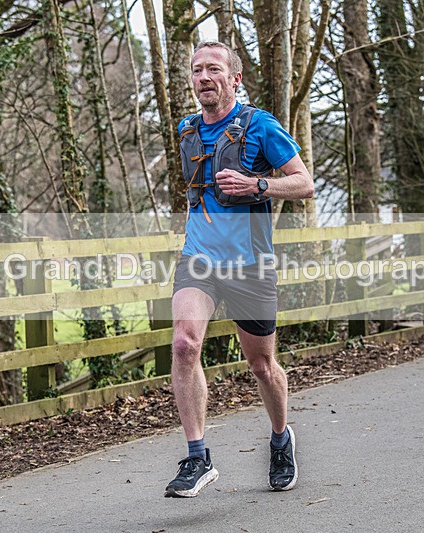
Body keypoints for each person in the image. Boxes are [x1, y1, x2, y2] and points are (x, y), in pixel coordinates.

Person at [164, 41, 314, 498]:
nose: (203, 76)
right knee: (185, 343)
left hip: (250, 265)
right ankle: (197, 456)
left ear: (234, 79)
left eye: (213, 68)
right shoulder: (186, 130)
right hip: (199, 260)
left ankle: (281, 438)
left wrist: (257, 184)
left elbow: (305, 183)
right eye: (196, 70)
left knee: (262, 365)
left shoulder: (260, 125)